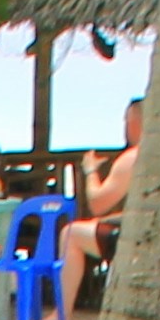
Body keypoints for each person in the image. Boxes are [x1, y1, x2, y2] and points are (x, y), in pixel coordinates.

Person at [59, 98, 144, 305]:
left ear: (137, 122)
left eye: (127, 120)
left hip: (139, 236)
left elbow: (98, 204)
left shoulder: (133, 157)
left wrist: (91, 171)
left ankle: (62, 315)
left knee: (70, 233)